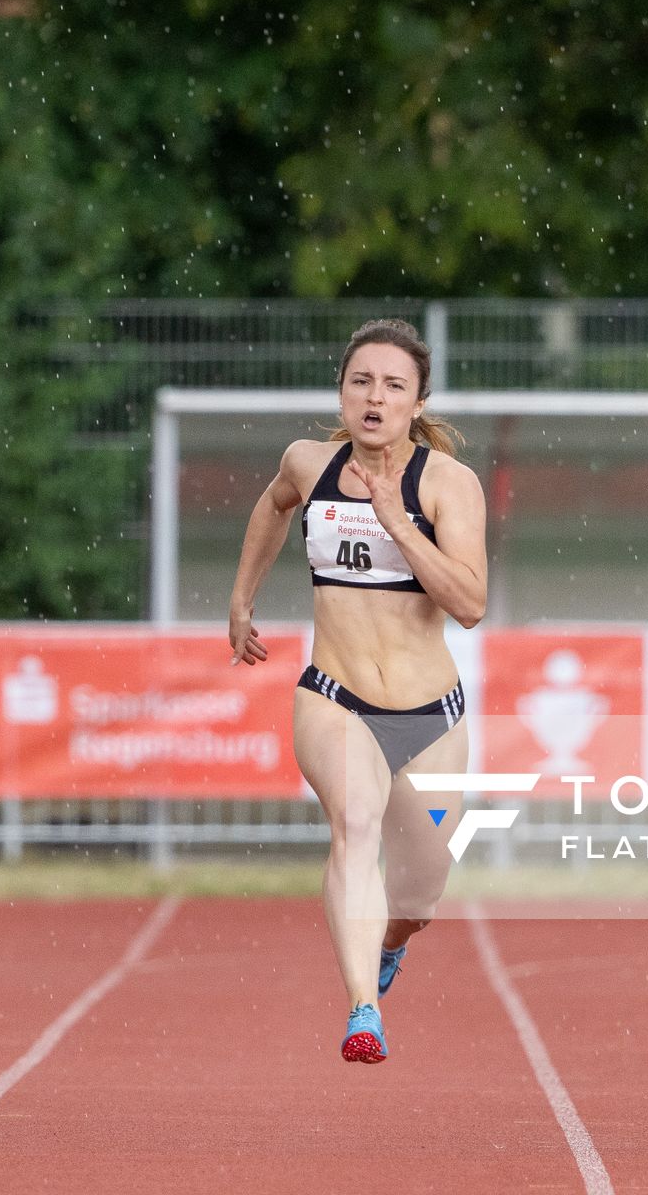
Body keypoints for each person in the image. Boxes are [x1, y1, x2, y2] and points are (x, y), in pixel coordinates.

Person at [228, 318, 486, 1064]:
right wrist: (242, 599)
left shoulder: (447, 484)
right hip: (333, 697)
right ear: (341, 392)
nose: (374, 398)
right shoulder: (308, 464)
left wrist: (398, 526)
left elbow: (469, 604)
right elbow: (272, 508)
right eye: (361, 382)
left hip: (431, 717)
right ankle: (363, 1012)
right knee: (357, 824)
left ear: (417, 402)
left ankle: (386, 949)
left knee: (420, 895)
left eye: (393, 386)